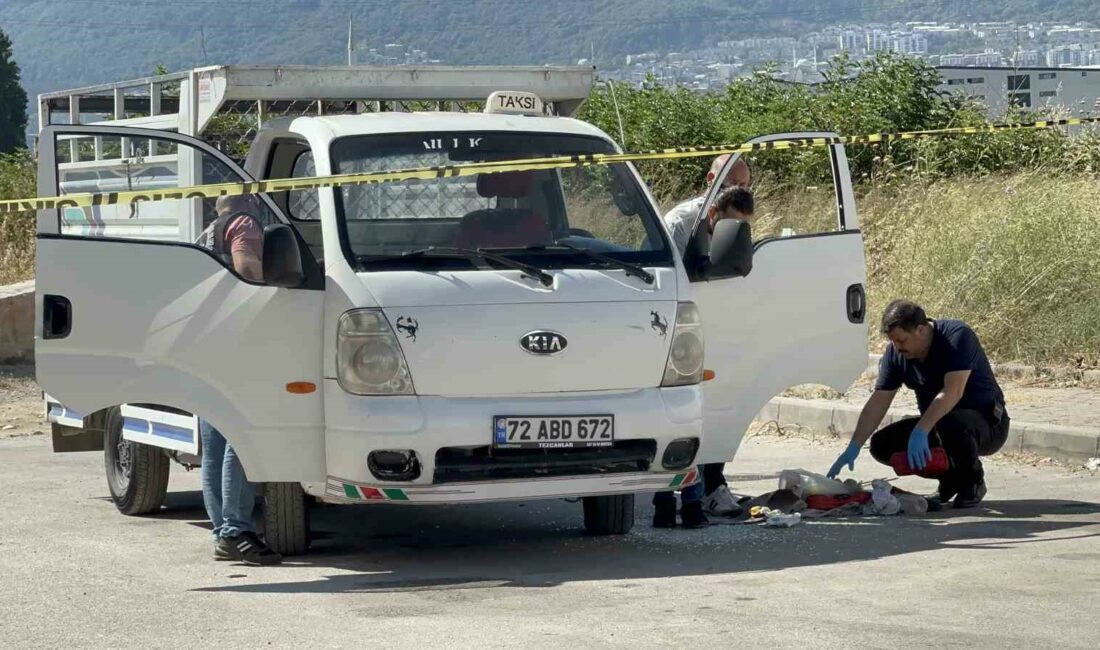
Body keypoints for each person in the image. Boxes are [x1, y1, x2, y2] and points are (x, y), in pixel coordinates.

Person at [827, 300, 1010, 510]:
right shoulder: (896, 354)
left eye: (902, 340)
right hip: (937, 425)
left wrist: (921, 430)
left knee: (951, 423)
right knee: (882, 444)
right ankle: (950, 479)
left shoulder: (956, 336)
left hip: (986, 424)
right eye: (893, 341)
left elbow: (953, 391)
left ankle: (972, 480)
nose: (897, 346)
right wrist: (854, 445)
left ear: (921, 330)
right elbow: (880, 399)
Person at [658, 156, 755, 522]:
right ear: (712, 181)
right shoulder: (682, 221)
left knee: (713, 412)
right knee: (682, 418)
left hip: (721, 330)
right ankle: (673, 501)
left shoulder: (736, 218)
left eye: (746, 183)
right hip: (683, 331)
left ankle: (708, 488)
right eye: (733, 182)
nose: (741, 189)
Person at [195, 194, 282, 565]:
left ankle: (223, 532)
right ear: (251, 198)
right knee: (240, 435)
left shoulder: (207, 235)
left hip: (206, 343)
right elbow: (248, 271)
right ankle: (236, 531)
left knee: (214, 442)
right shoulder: (245, 225)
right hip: (238, 341)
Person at [663, 154, 752, 254]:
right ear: (711, 179)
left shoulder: (741, 218)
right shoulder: (680, 222)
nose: (737, 191)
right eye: (732, 183)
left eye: (742, 186)